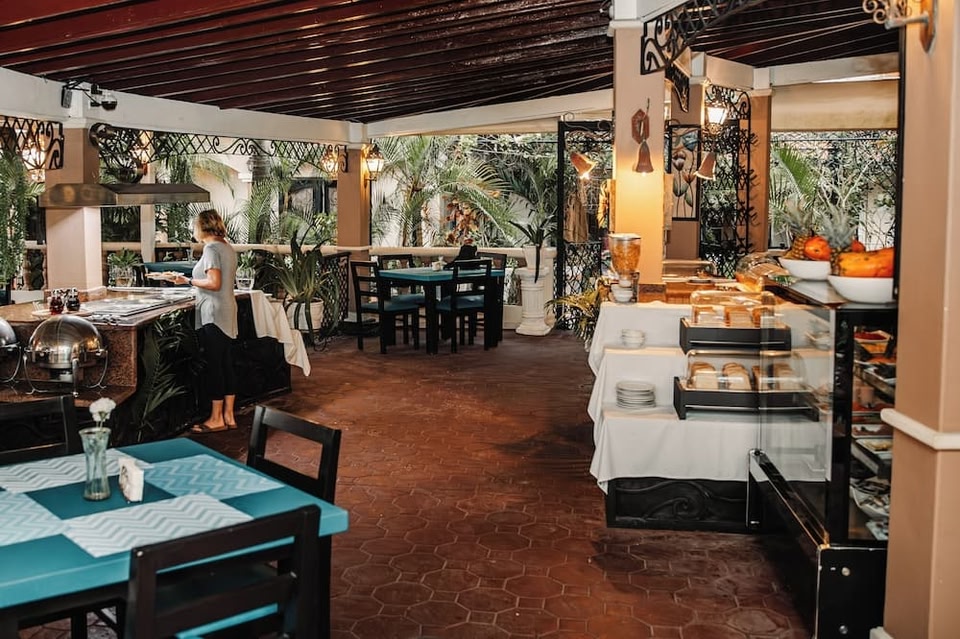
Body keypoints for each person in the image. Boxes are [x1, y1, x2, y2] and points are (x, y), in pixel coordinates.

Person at [172, 209, 238, 433]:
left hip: (214, 314)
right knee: (226, 364)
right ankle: (229, 415)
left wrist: (187, 281)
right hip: (228, 310)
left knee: (215, 366)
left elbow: (214, 283)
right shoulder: (227, 247)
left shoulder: (210, 248)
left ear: (201, 227)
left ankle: (216, 418)